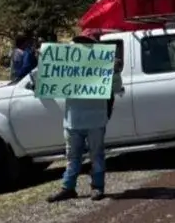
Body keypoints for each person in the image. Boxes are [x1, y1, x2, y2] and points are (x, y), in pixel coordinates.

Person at [47, 37, 123, 203]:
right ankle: (68, 188)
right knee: (72, 157)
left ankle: (97, 187)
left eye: (86, 44)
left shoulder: (103, 66)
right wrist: (47, 64)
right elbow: (50, 83)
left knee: (96, 155)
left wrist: (115, 72)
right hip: (72, 121)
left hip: (94, 120)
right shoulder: (68, 66)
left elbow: (116, 88)